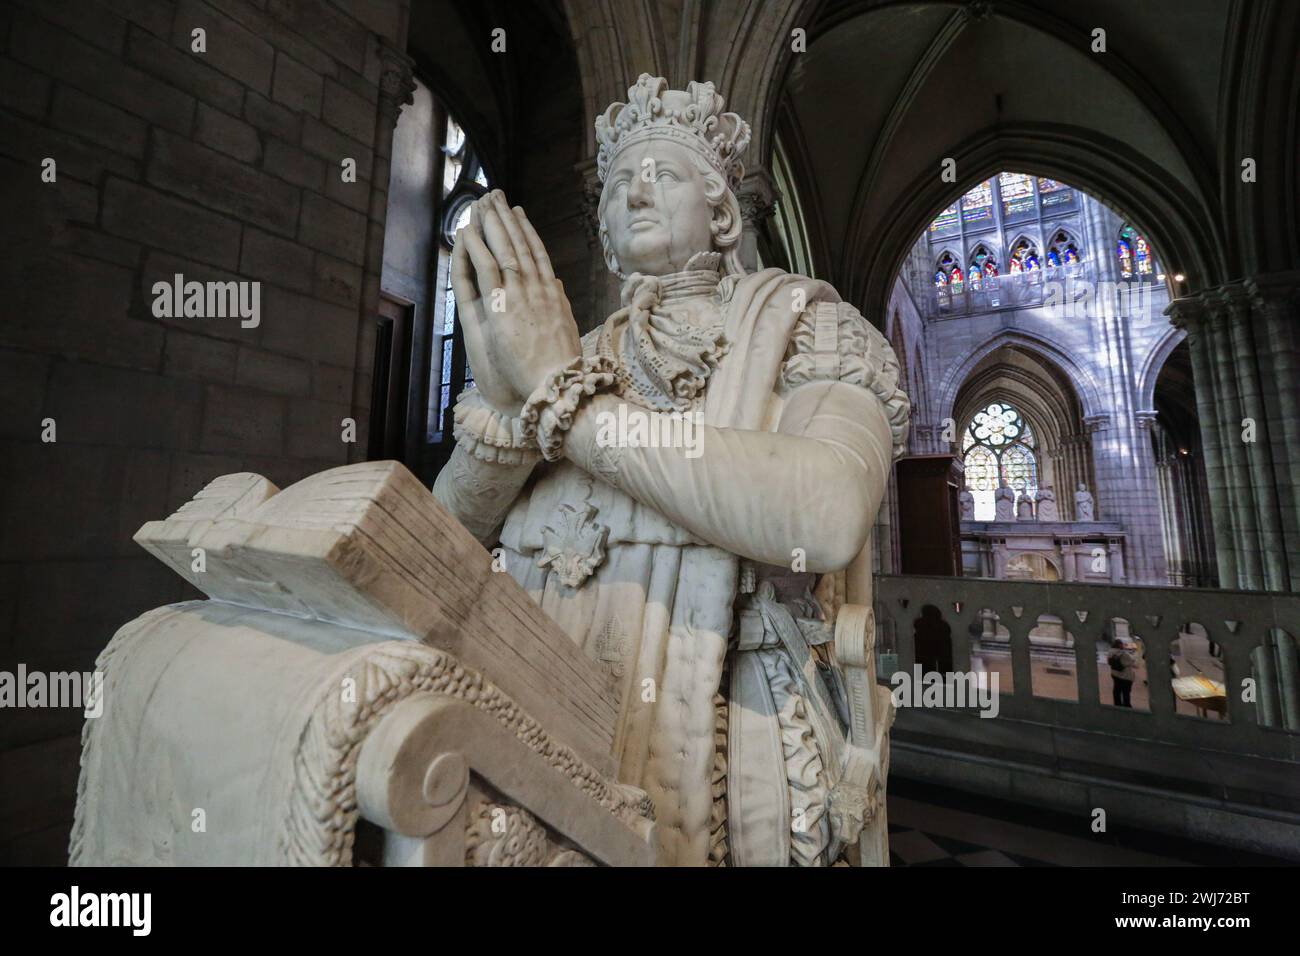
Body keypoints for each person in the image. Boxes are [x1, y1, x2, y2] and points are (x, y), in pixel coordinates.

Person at [431, 75, 910, 866]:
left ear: (722, 211)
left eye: (663, 173)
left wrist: (563, 404)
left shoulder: (806, 328)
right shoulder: (572, 356)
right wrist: (508, 406)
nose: (635, 193)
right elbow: (447, 541)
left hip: (735, 717)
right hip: (556, 706)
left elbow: (823, 513)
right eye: (618, 182)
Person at [1107, 637, 1136, 707]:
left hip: (1115, 674)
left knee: (1116, 690)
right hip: (1125, 676)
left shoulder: (1110, 652)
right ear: (1120, 645)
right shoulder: (1124, 654)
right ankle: (1126, 705)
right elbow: (1132, 661)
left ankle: (1117, 704)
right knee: (1126, 692)